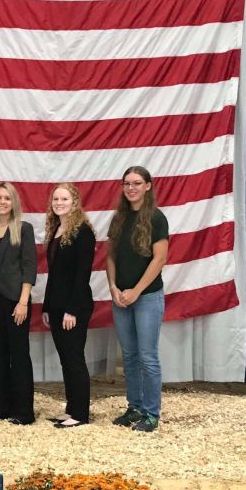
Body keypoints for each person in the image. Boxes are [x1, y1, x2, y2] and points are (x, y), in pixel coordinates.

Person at [106, 166, 169, 433]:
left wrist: (137, 291)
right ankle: (135, 407)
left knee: (147, 357)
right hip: (120, 298)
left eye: (137, 183)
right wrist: (112, 287)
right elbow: (109, 257)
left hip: (147, 298)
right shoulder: (118, 218)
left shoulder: (156, 218)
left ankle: (152, 414)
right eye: (127, 183)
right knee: (129, 357)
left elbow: (160, 259)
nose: (131, 188)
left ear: (148, 186)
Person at [0, 182, 37, 425]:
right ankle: (0, 408)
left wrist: (23, 302)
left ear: (14, 202)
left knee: (19, 355)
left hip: (15, 300)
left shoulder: (23, 229)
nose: (2, 202)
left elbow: (29, 266)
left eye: (7, 198)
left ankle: (23, 412)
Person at [41, 183, 96, 428]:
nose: (59, 203)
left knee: (74, 359)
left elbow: (82, 275)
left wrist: (71, 309)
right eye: (56, 199)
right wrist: (46, 306)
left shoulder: (83, 231)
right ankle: (71, 408)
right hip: (56, 306)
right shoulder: (56, 228)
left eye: (64, 198)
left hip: (74, 307)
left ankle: (81, 414)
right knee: (65, 359)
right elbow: (53, 274)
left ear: (74, 202)